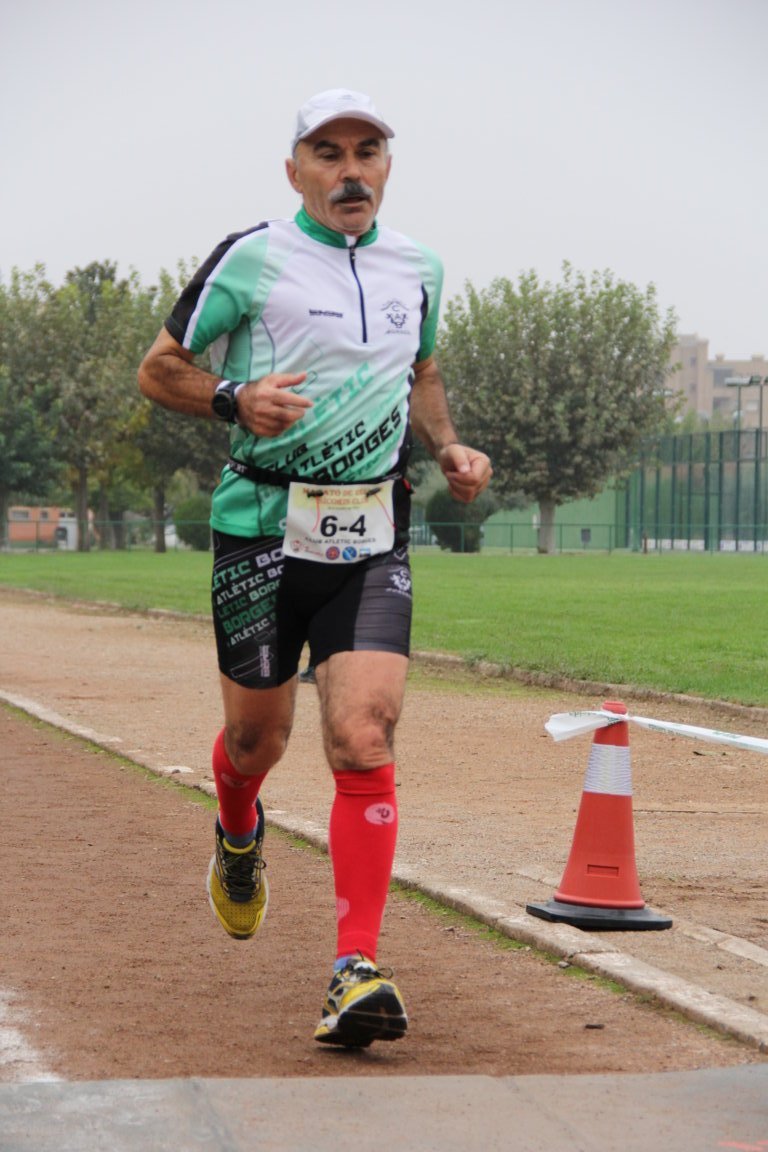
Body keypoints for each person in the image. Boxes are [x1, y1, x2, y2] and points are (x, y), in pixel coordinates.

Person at [138, 88, 492, 1048]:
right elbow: (158, 368)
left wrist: (450, 447)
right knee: (255, 743)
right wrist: (233, 398)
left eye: (367, 151)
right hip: (261, 531)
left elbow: (421, 370)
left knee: (364, 736)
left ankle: (355, 965)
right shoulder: (252, 257)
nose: (350, 170)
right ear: (294, 169)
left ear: (387, 166)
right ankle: (238, 832)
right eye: (328, 153)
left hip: (371, 535)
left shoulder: (420, 266)